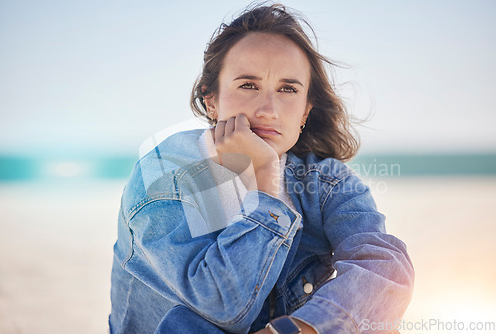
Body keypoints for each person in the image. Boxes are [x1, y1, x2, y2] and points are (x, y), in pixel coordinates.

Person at [109, 4, 414, 334]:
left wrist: (300, 329)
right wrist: (265, 181)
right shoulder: (167, 173)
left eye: (288, 89)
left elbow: (385, 268)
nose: (268, 110)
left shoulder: (327, 183)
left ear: (305, 110)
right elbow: (225, 308)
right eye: (248, 85)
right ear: (211, 100)